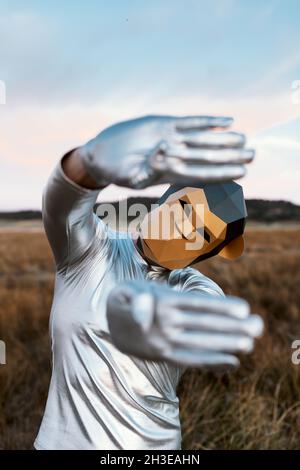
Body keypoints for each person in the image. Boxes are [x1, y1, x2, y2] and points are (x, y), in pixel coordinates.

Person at [34, 115, 263, 450]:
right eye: (185, 209)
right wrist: (87, 164)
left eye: (203, 234)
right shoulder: (91, 251)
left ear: (216, 251)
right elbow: (62, 210)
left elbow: (209, 307)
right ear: (167, 197)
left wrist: (172, 323)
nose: (187, 230)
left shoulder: (190, 287)